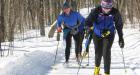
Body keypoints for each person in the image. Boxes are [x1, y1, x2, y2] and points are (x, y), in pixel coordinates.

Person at [85, 0, 125, 75]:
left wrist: (121, 38)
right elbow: (87, 22)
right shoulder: (95, 11)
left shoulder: (115, 12)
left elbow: (119, 25)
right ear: (101, 5)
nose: (107, 10)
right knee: (98, 53)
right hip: (97, 34)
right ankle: (97, 69)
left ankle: (107, 73)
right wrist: (88, 28)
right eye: (105, 8)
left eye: (109, 8)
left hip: (109, 34)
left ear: (111, 6)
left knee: (106, 52)